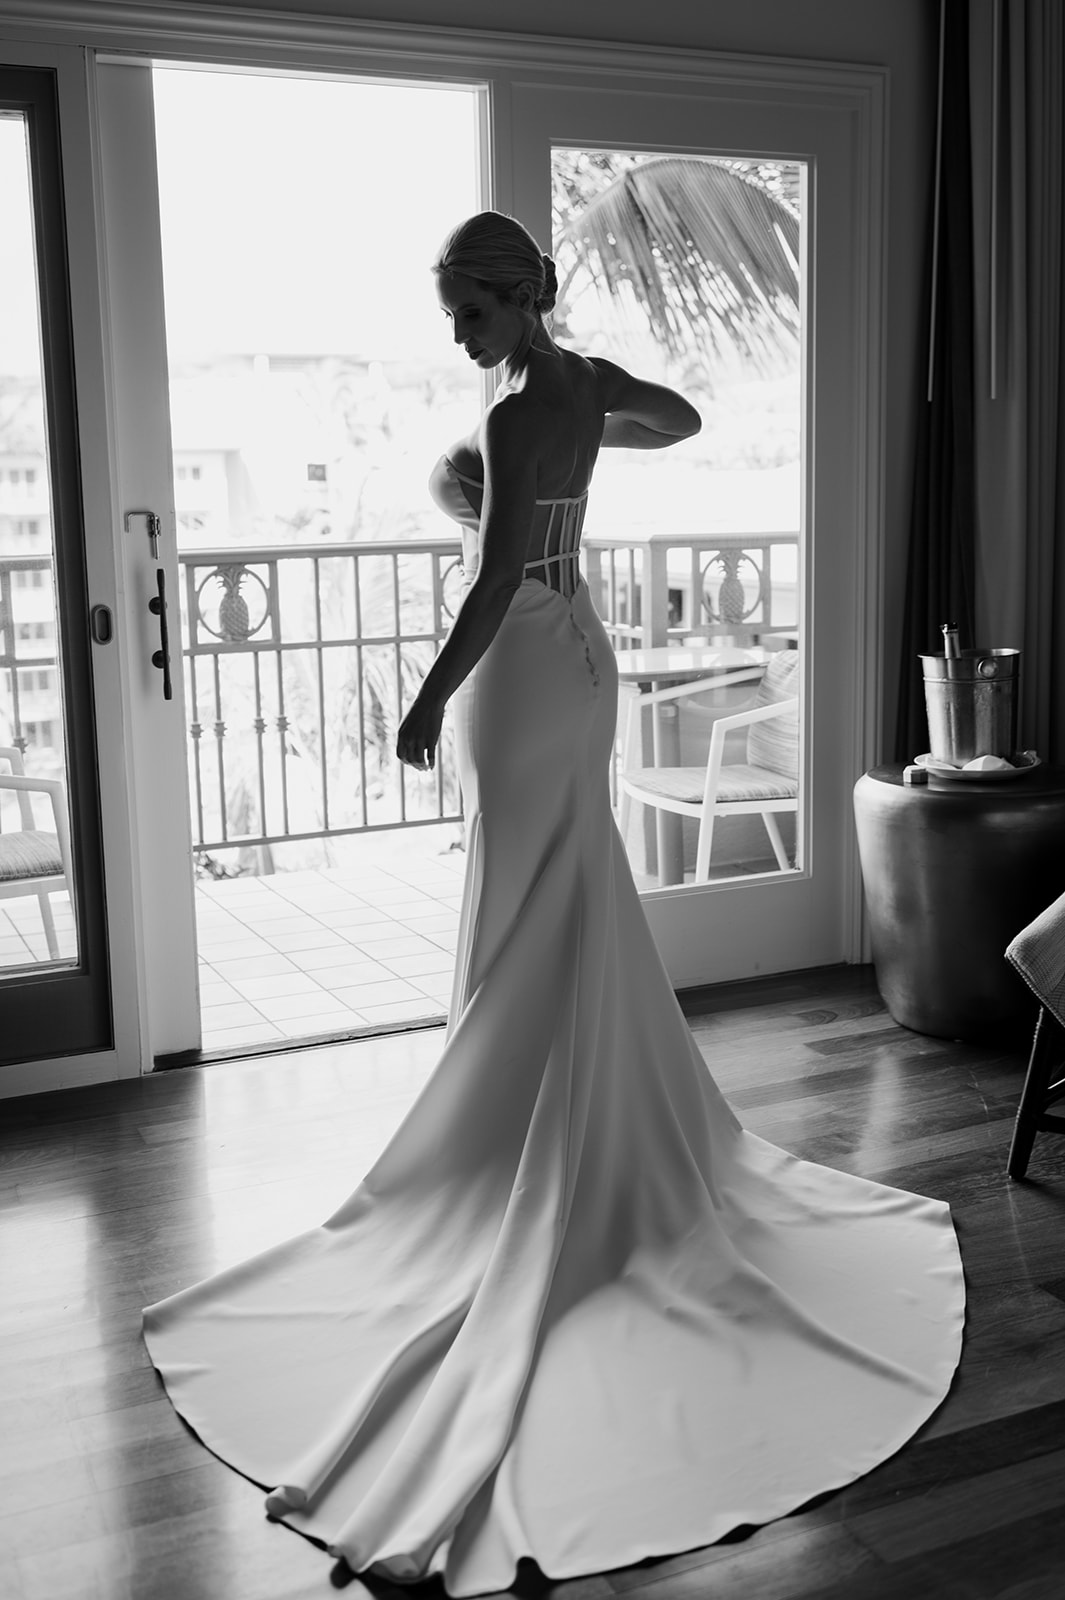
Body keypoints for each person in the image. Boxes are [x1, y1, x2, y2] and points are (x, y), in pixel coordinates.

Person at [143, 212, 964, 1599]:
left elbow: (488, 578)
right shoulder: (572, 388)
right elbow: (681, 418)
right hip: (587, 653)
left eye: (464, 310)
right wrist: (602, 393)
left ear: (513, 300)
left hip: (526, 658)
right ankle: (544, 1110)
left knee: (536, 884)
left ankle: (523, 1137)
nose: (451, 334)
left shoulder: (525, 409)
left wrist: (421, 698)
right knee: (562, 885)